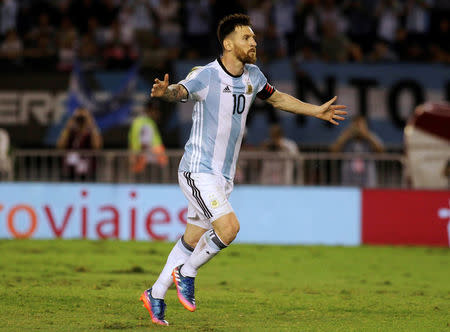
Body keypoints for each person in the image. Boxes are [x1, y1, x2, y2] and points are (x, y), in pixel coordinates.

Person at [139, 13, 347, 326]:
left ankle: (155, 293)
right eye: (246, 37)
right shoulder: (206, 75)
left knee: (191, 239)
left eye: (253, 37)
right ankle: (186, 272)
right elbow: (181, 91)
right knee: (229, 229)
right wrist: (166, 93)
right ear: (227, 43)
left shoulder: (253, 76)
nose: (254, 42)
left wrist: (315, 110)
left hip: (222, 176)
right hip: (198, 169)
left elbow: (277, 100)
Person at [330, 115, 384, 187]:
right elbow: (333, 150)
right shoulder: (346, 138)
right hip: (349, 178)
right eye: (356, 125)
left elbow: (381, 150)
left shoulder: (371, 137)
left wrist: (366, 134)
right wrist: (346, 134)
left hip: (367, 179)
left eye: (361, 125)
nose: (358, 129)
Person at [57, 107, 102, 181]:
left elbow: (97, 146)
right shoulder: (70, 133)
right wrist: (67, 127)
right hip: (70, 170)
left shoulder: (91, 133)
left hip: (88, 171)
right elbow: (60, 146)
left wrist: (91, 124)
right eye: (78, 117)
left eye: (83, 118)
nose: (81, 120)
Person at [128, 99, 168, 175]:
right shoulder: (147, 123)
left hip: (140, 162)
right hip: (147, 165)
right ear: (149, 110)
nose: (158, 114)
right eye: (155, 111)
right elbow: (144, 144)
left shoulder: (137, 121)